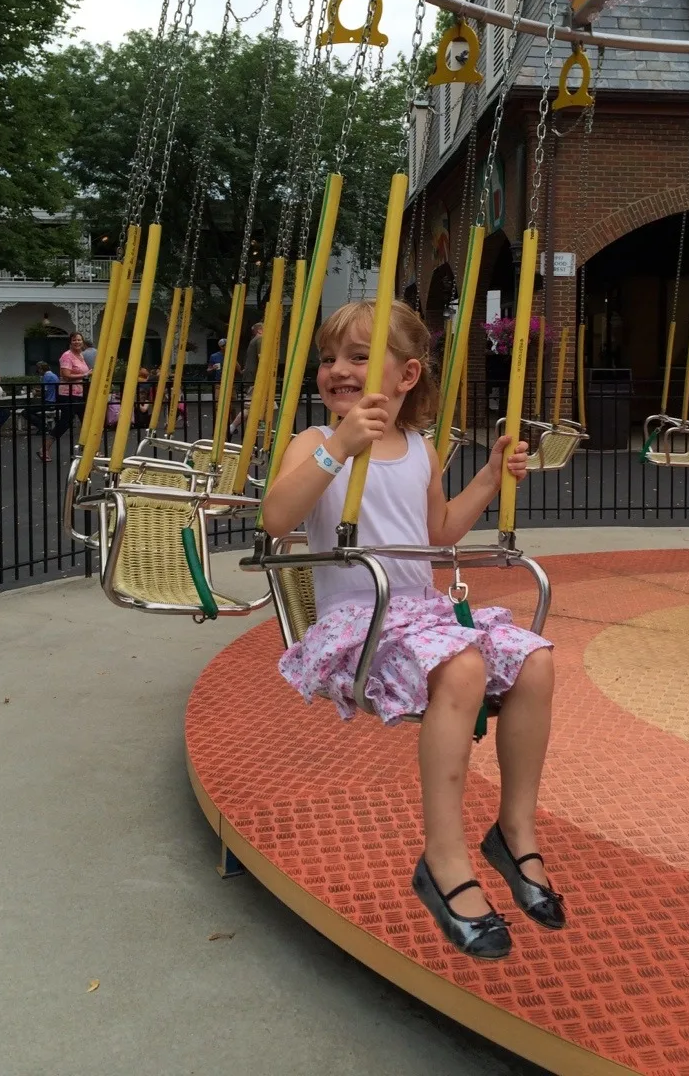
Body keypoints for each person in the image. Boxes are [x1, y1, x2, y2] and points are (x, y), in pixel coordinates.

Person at [262, 301, 560, 961]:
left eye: (358, 357)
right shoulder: (316, 444)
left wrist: (487, 480)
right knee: (463, 666)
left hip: (419, 614)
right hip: (356, 624)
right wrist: (339, 447)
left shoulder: (422, 449)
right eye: (329, 358)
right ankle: (444, 859)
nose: (338, 370)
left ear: (406, 376)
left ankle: (514, 832)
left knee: (535, 659)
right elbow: (277, 519)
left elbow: (436, 536)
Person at [38, 332, 90, 462]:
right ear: (70, 342)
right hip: (67, 394)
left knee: (86, 420)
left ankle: (87, 451)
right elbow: (66, 375)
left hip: (78, 393)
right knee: (65, 422)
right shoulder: (67, 356)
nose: (77, 342)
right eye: (74, 340)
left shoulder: (81, 356)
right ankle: (44, 448)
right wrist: (86, 375)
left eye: (79, 340)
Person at [24, 361, 59, 436]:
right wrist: (38, 390)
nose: (38, 372)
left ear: (40, 369)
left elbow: (44, 391)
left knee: (25, 411)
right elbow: (49, 388)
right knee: (34, 409)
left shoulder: (46, 376)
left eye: (38, 370)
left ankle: (43, 427)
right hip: (55, 402)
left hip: (49, 402)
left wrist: (35, 393)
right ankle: (44, 425)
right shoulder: (54, 375)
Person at [208, 338, 226, 405]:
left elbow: (237, 365)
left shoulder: (231, 355)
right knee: (218, 404)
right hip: (219, 383)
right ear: (221, 347)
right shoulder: (214, 356)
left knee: (231, 405)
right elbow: (208, 370)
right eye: (224, 345)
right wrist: (213, 368)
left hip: (230, 383)